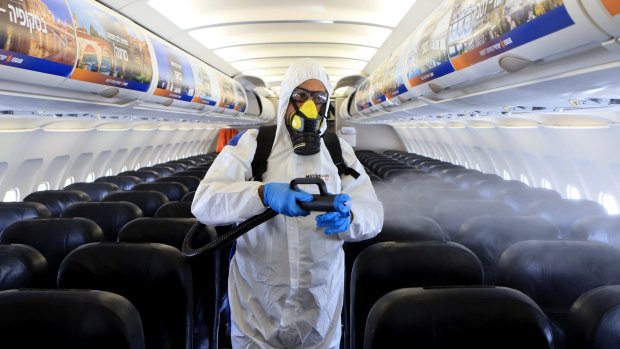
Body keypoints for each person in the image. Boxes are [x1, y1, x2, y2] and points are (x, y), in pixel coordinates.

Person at [191, 58, 384, 349]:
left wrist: (352, 217)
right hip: (256, 313)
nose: (310, 107)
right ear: (286, 100)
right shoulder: (253, 144)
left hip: (321, 313)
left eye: (319, 99)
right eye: (301, 96)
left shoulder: (337, 151)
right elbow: (204, 202)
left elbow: (373, 212)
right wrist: (262, 194)